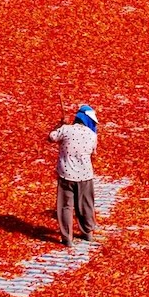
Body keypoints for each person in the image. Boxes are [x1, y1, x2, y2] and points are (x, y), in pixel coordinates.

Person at [48, 104, 98, 247]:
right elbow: (93, 153)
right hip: (85, 175)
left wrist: (60, 125)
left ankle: (67, 238)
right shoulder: (92, 135)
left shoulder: (65, 130)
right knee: (86, 204)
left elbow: (51, 137)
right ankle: (87, 232)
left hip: (66, 174)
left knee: (65, 206)